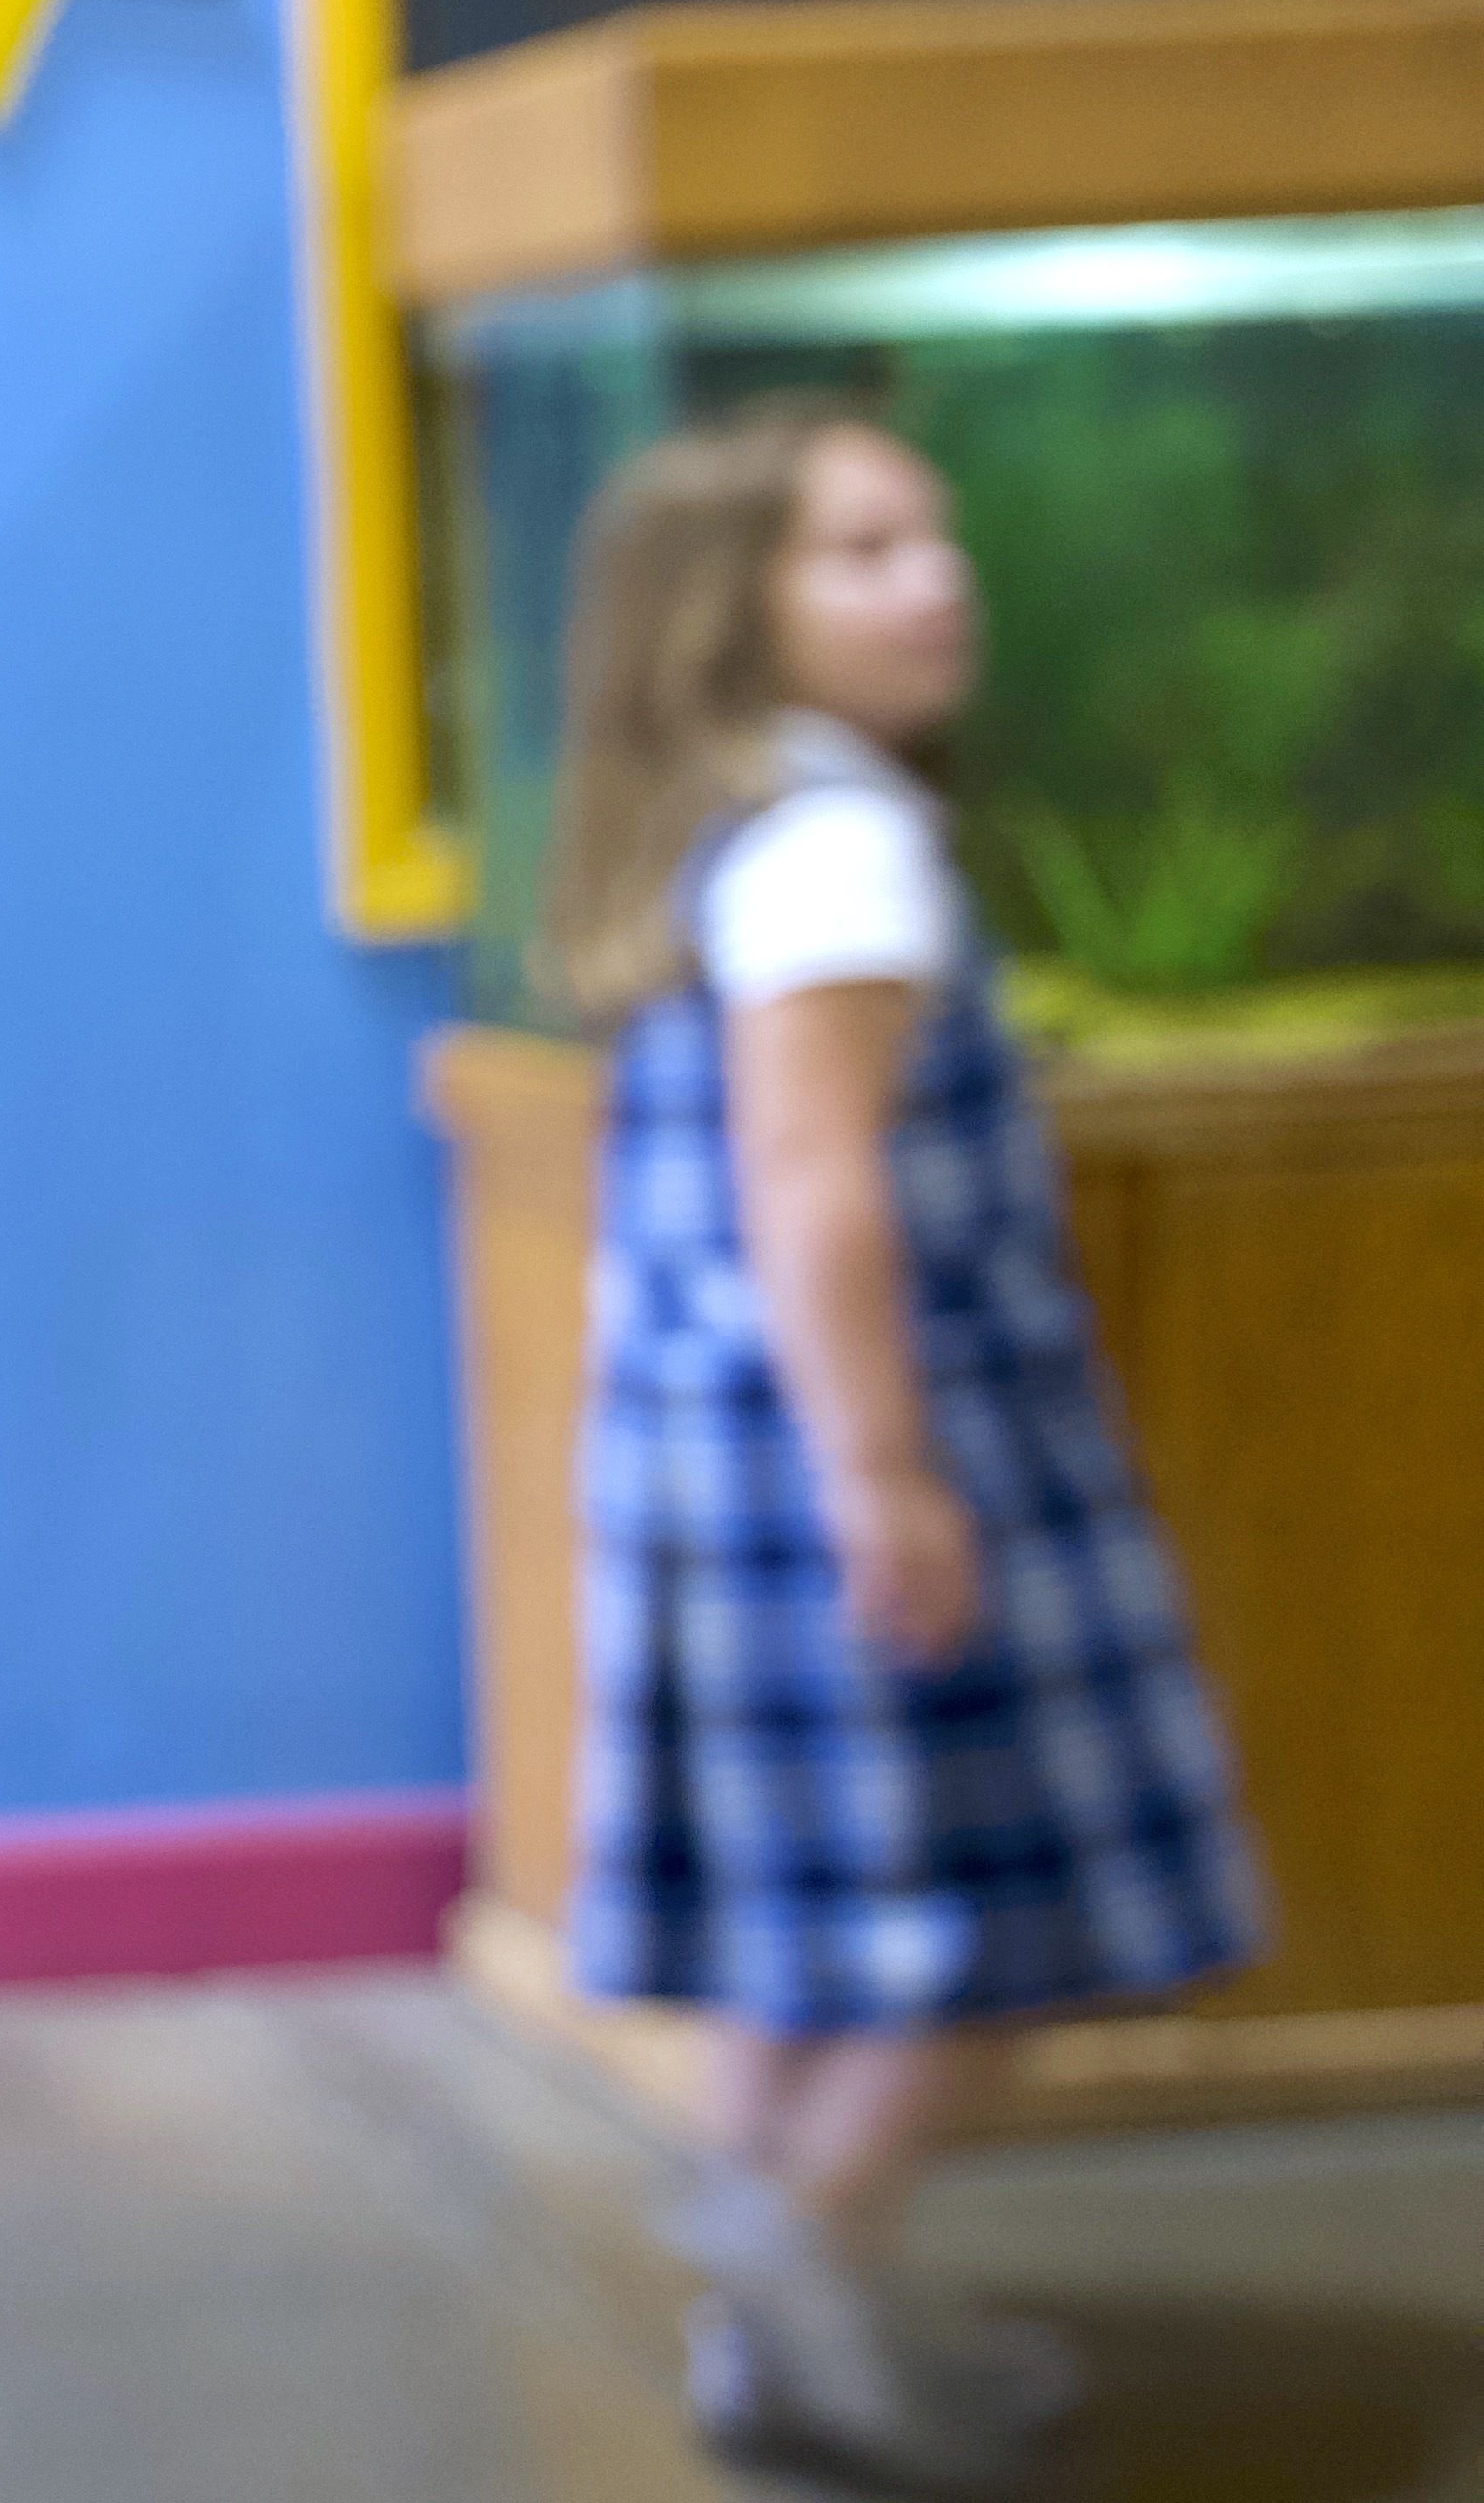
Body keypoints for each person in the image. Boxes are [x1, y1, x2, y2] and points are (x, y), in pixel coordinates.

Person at [541, 400, 1261, 2491]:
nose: (935, 577)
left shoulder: (734, 826)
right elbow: (816, 1179)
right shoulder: (840, 846)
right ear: (725, 608)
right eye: (858, 550)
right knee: (972, 1910)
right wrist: (888, 1467)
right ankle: (816, 2256)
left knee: (814, 1923)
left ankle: (788, 2315)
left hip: (712, 1447)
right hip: (849, 1443)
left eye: (934, 534)